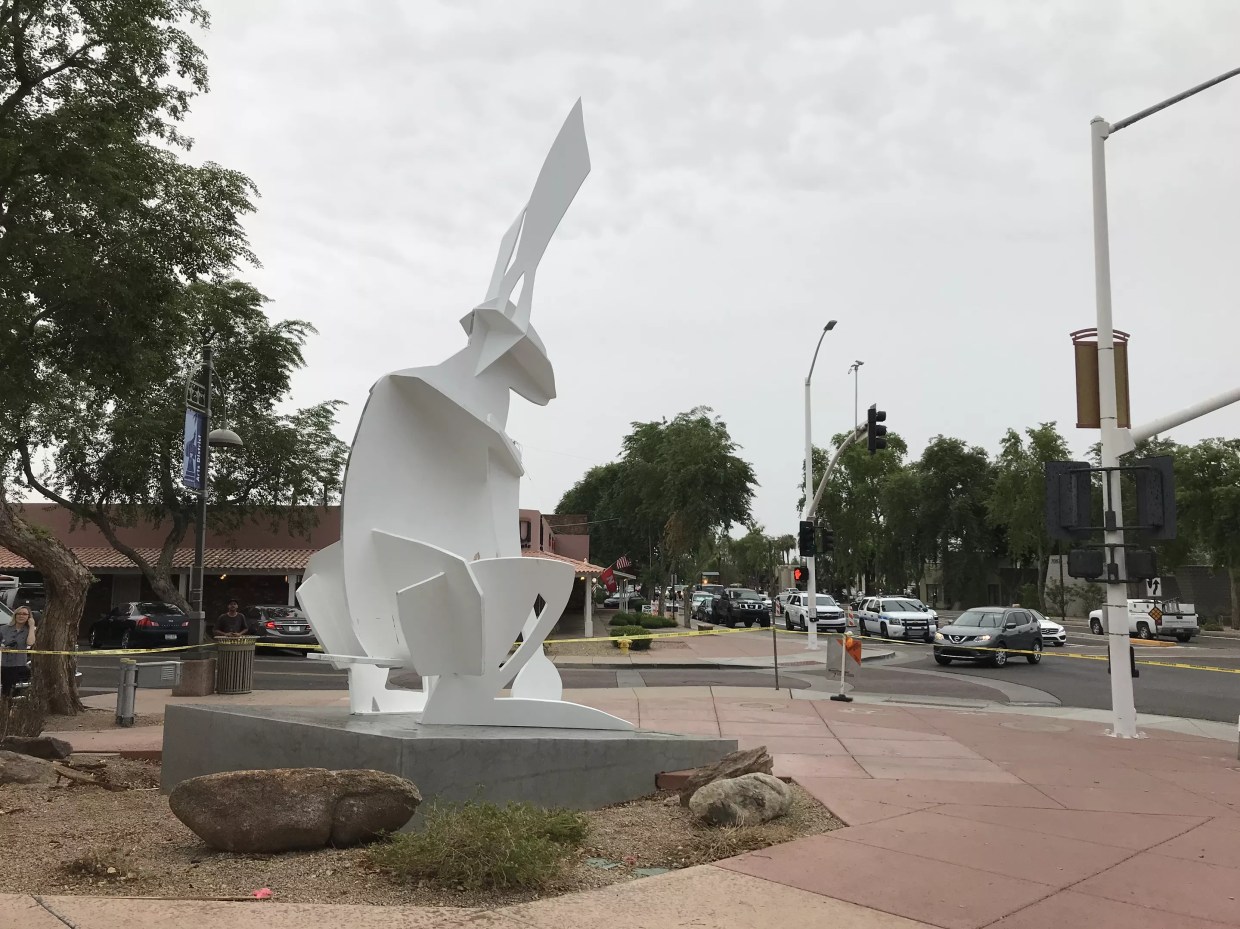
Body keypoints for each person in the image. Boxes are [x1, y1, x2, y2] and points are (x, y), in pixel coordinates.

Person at [1, 606, 36, 697]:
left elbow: (30, 642)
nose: (21, 616)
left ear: (29, 617)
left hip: (19, 664)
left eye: (25, 614)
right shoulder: (4, 629)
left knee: (14, 691)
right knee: (5, 689)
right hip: (3, 663)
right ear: (15, 615)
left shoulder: (29, 630)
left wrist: (32, 626)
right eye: (19, 613)